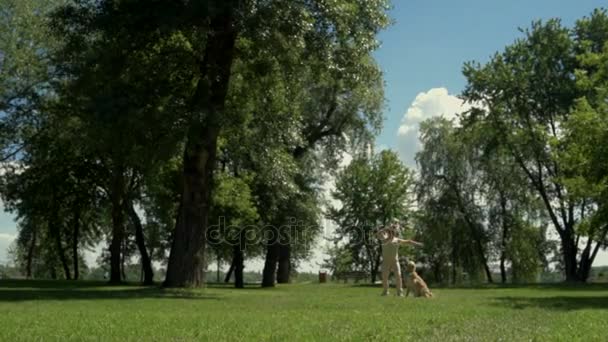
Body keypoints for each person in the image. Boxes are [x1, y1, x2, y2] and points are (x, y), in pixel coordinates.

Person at [375, 222, 423, 297]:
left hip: (395, 261)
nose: (391, 233)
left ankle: (399, 292)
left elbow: (408, 241)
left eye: (393, 232)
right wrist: (387, 228)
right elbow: (378, 233)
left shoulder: (396, 240)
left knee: (398, 276)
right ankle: (385, 291)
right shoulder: (383, 238)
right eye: (390, 231)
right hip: (386, 261)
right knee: (384, 277)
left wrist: (418, 244)